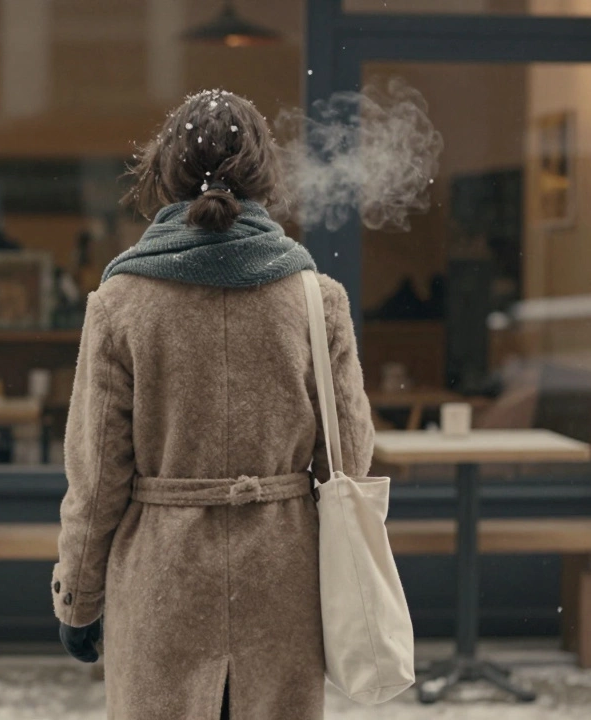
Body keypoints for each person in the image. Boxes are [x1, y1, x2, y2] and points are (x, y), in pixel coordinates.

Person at [51, 90, 375, 719]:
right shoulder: (316, 298)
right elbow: (350, 460)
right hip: (282, 579)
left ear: (166, 173)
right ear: (262, 177)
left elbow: (96, 478)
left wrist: (79, 597)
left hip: (163, 580)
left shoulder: (120, 302)